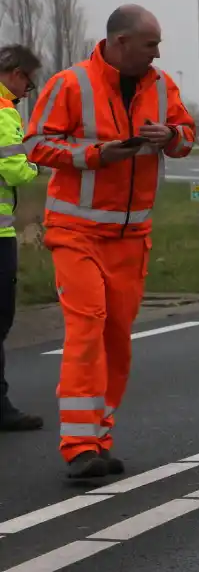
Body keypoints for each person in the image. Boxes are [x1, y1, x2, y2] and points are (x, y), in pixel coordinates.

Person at [24, 4, 196, 478]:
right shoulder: (70, 84)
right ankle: (78, 446)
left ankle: (99, 436)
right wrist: (99, 155)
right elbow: (37, 143)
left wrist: (170, 136)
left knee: (116, 339)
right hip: (75, 233)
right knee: (88, 327)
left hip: (131, 238)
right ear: (120, 43)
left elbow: (187, 137)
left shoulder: (162, 87)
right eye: (150, 44)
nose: (157, 53)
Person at [0, 44, 44, 433]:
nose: (28, 89)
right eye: (28, 81)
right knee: (0, 321)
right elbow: (15, 171)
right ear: (13, 73)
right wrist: (37, 165)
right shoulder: (3, 112)